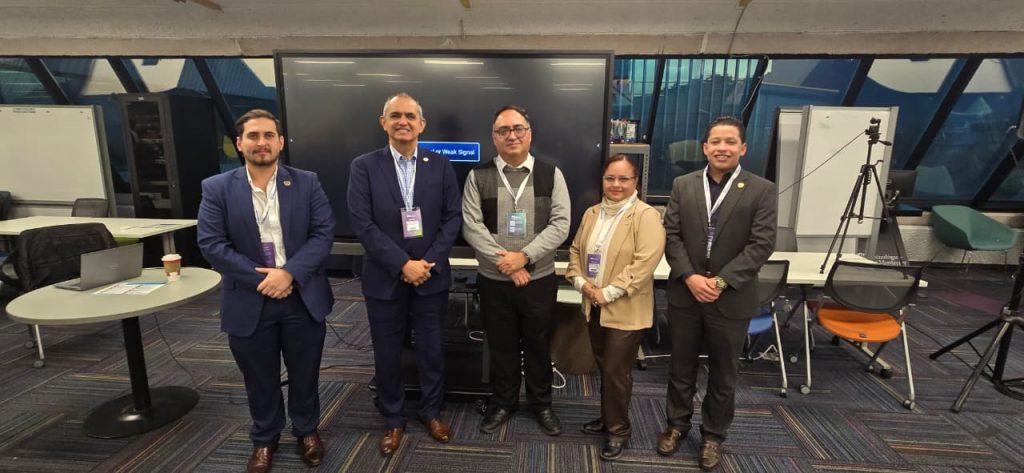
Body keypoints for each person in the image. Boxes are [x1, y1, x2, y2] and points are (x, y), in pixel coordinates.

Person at [197, 109, 335, 473]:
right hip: (249, 297)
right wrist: (264, 279)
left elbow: (323, 235)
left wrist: (288, 274)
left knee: (305, 371)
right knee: (259, 376)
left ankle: (307, 430)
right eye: (253, 136)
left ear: (281, 142)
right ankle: (264, 438)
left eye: (269, 135)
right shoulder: (216, 188)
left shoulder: (307, 182)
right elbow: (211, 244)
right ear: (239, 143)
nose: (262, 143)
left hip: (301, 296)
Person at [657, 116, 777, 471]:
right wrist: (691, 277)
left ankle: (713, 436)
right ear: (705, 147)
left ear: (743, 148)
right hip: (686, 294)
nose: (722, 148)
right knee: (681, 367)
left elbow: (761, 244)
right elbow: (671, 235)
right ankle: (676, 426)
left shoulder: (761, 189)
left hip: (731, 297)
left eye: (730, 142)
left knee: (724, 374)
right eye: (716, 141)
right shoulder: (683, 184)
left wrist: (720, 282)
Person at [347, 93, 463, 456]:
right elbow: (362, 223)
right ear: (383, 122)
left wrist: (427, 262)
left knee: (431, 350)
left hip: (431, 276)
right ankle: (394, 418)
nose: (403, 122)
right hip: (385, 278)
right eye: (395, 115)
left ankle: (431, 412)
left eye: (410, 116)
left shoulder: (440, 165)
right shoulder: (363, 166)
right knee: (387, 353)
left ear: (421, 124)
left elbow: (452, 218)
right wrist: (402, 264)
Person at [462, 105, 570, 436]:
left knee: (538, 344)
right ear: (494, 137)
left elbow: (560, 224)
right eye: (503, 130)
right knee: (501, 345)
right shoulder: (477, 176)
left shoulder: (551, 174)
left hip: (538, 280)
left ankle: (541, 404)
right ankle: (503, 403)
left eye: (518, 128)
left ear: (529, 134)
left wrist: (524, 257)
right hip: (494, 281)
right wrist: (507, 264)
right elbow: (471, 227)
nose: (512, 135)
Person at [565, 154, 665, 461]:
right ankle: (608, 417)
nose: (616, 184)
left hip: (625, 308)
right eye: (610, 178)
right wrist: (583, 285)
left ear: (636, 182)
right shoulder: (592, 212)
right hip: (593, 303)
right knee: (603, 367)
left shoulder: (646, 216)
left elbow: (644, 263)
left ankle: (619, 431)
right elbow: (575, 251)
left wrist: (607, 292)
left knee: (616, 372)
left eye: (624, 179)